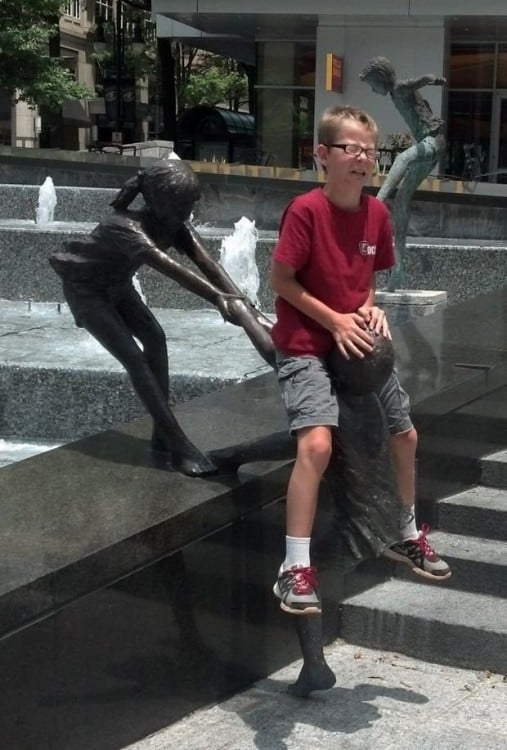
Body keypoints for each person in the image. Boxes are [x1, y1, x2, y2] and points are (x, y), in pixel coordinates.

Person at [270, 105, 450, 615]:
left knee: (406, 432)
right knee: (318, 444)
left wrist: (368, 308)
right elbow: (282, 282)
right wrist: (336, 321)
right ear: (323, 155)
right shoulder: (305, 211)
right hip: (306, 342)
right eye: (352, 149)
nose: (364, 159)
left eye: (370, 150)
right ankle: (293, 568)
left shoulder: (376, 214)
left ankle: (405, 530)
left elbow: (367, 278)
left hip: (357, 343)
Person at [50, 159, 274, 478]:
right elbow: (172, 269)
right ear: (162, 202)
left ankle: (161, 434)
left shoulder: (174, 224)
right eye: (183, 205)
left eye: (190, 205)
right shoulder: (123, 227)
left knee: (156, 339)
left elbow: (206, 261)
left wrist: (244, 305)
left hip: (118, 285)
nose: (189, 212)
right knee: (135, 359)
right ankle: (180, 447)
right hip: (87, 293)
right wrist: (218, 299)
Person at [359, 57, 446, 290]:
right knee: (401, 201)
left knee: (402, 158)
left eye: (371, 84)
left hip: (433, 142)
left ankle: (376, 204)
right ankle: (398, 271)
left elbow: (416, 81)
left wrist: (433, 79)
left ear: (381, 78)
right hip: (430, 146)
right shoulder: (393, 95)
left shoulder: (398, 88)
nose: (372, 89)